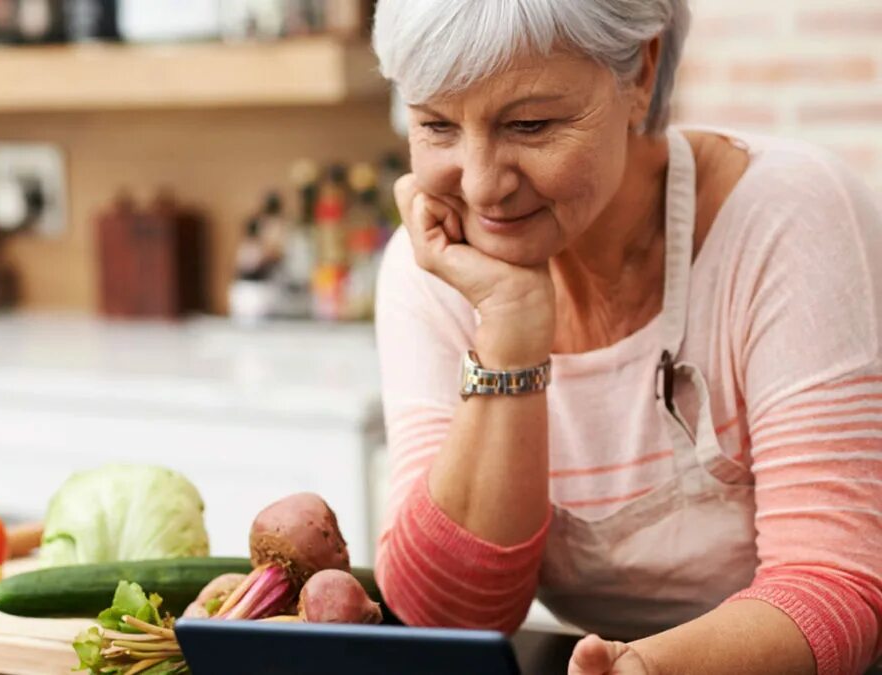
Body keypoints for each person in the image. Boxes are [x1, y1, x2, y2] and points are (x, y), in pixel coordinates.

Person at [370, 1, 882, 673]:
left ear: (641, 70)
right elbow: (449, 617)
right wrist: (512, 329)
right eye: (436, 125)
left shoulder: (789, 218)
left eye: (529, 124)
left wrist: (646, 667)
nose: (482, 187)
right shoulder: (433, 263)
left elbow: (835, 586)